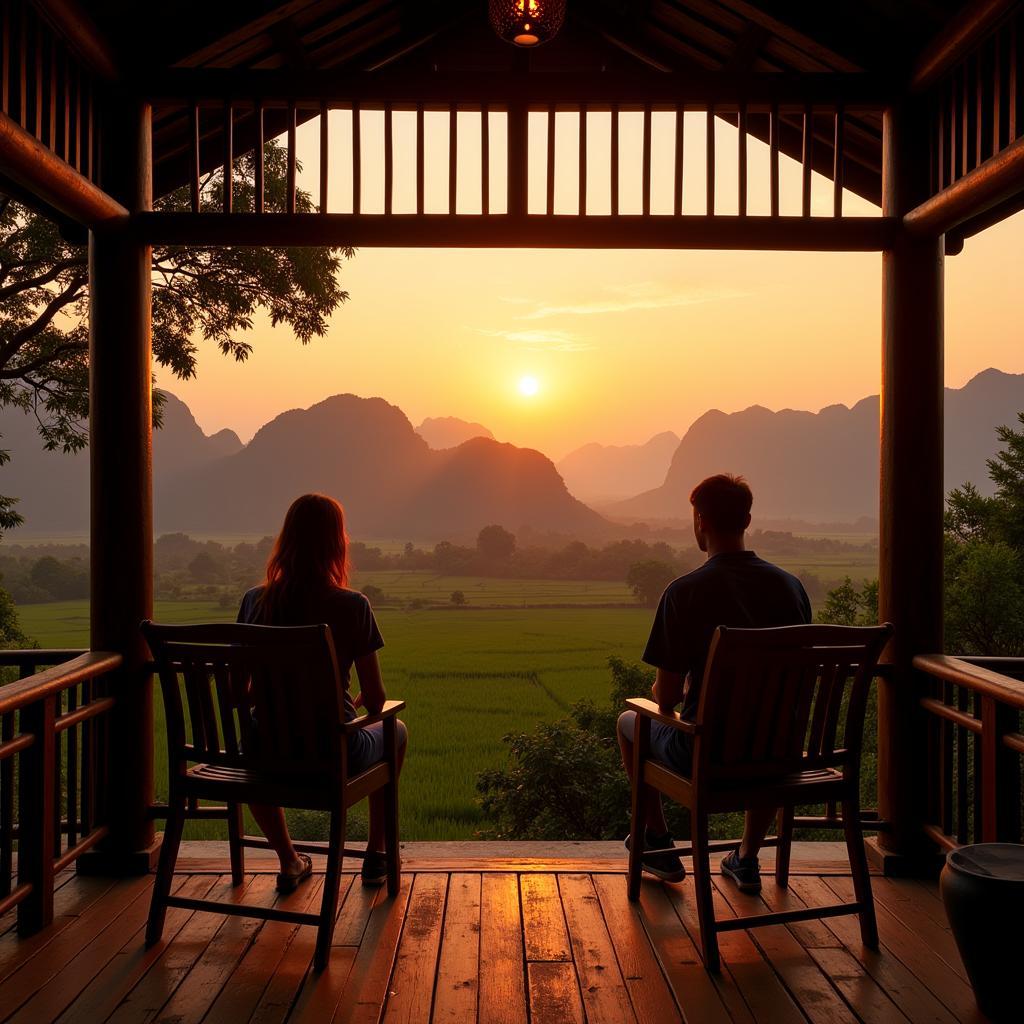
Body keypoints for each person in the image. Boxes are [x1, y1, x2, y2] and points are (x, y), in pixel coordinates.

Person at [617, 474, 811, 892]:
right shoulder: (790, 587)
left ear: (700, 521)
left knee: (629, 722)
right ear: (747, 519)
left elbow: (665, 697)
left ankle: (658, 843)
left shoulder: (684, 592)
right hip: (782, 754)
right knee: (768, 731)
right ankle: (746, 857)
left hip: (708, 756)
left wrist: (681, 693)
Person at [237, 493, 408, 892]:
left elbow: (236, 692)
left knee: (260, 749)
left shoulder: (253, 601)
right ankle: (376, 854)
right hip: (332, 753)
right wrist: (347, 704)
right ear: (337, 543)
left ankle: (289, 860)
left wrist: (278, 701)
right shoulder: (352, 606)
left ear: (286, 540)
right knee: (395, 731)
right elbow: (378, 699)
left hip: (264, 753)